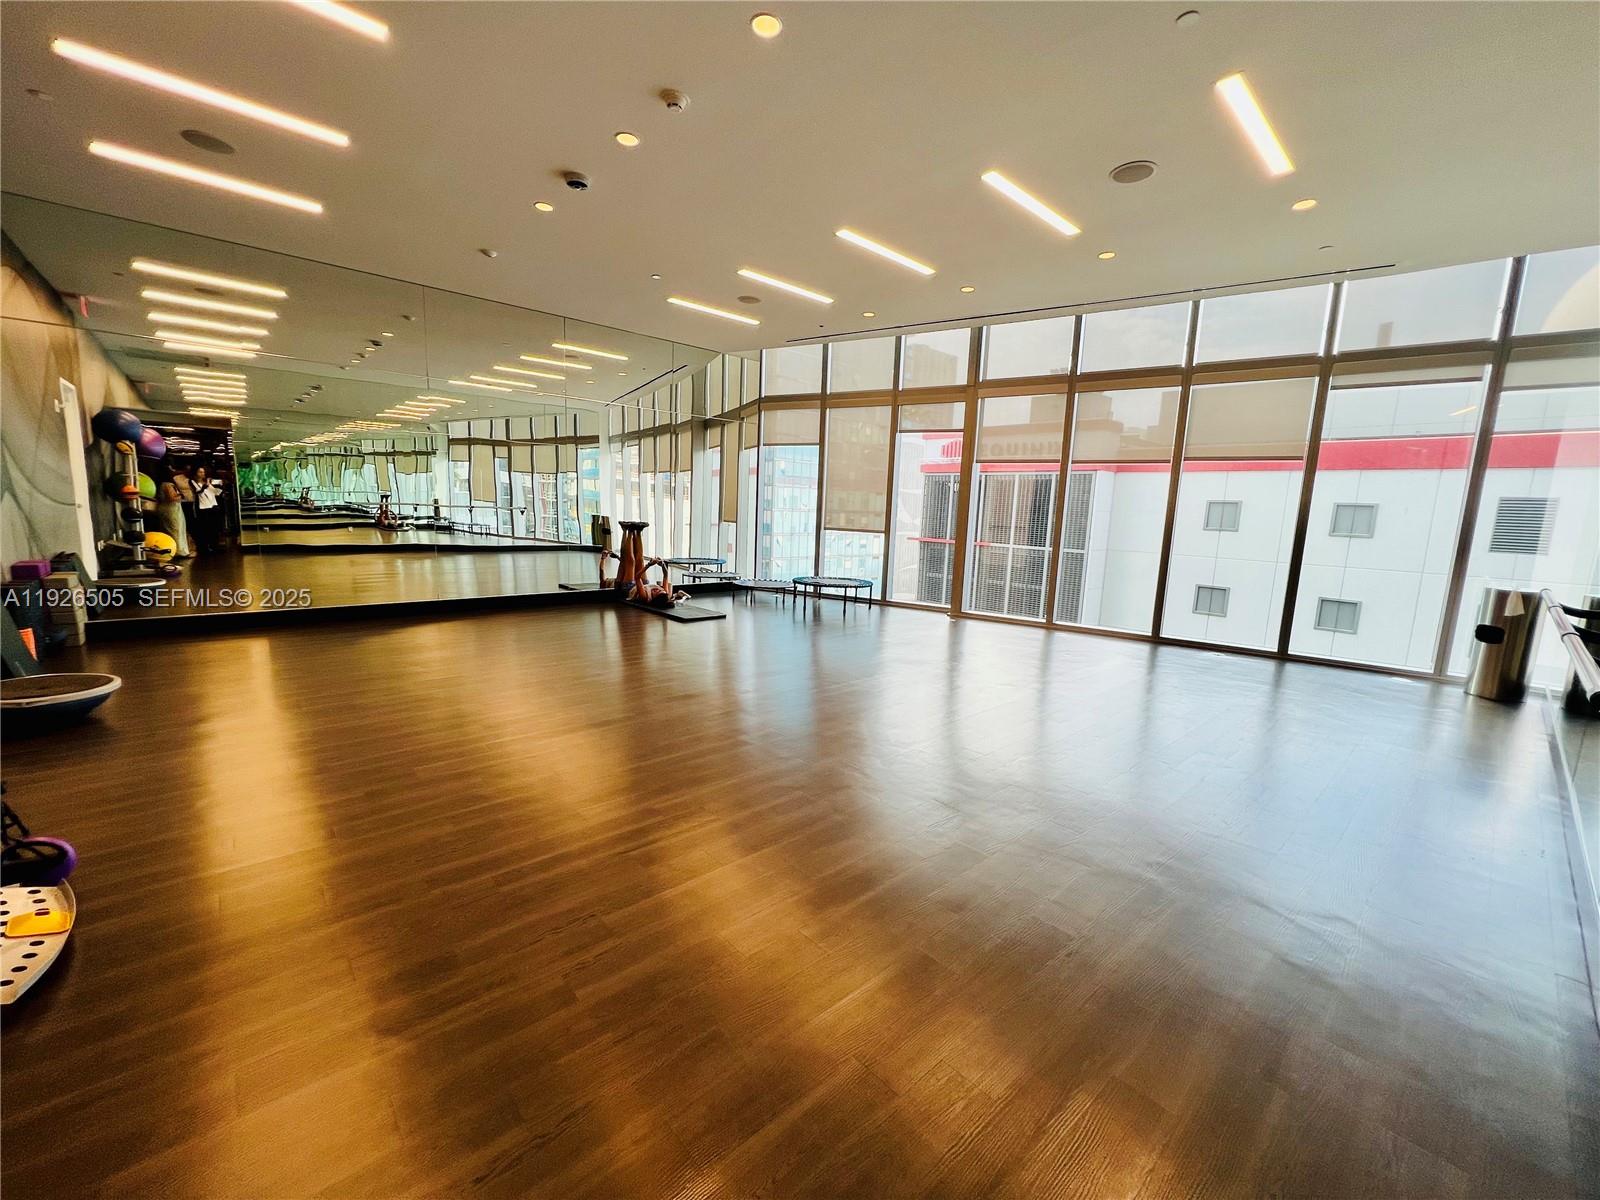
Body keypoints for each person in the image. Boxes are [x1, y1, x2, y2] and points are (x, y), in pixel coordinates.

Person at [153, 480, 190, 558]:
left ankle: (176, 550)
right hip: (170, 509)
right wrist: (182, 495)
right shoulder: (168, 485)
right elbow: (171, 497)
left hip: (172, 509)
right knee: (174, 530)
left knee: (175, 529)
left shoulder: (166, 485)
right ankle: (177, 551)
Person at [193, 466, 225, 554]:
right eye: (200, 472)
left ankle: (215, 545)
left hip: (213, 505)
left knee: (214, 527)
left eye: (203, 472)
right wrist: (205, 486)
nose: (202, 474)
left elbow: (215, 492)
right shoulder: (193, 482)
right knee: (206, 527)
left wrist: (219, 485)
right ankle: (207, 546)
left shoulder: (207, 482)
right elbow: (198, 492)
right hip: (203, 507)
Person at [171, 464, 197, 549]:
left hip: (194, 501)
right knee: (187, 521)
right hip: (184, 502)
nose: (188, 472)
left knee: (194, 521)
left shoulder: (193, 478)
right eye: (187, 470)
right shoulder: (177, 478)